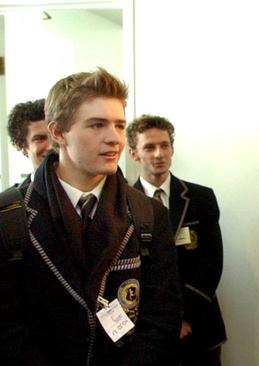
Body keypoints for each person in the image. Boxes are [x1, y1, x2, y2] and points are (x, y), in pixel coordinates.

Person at [0, 68, 182, 365]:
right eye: (97, 125)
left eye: (119, 126)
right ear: (58, 132)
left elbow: (162, 317)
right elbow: (8, 328)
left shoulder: (148, 214)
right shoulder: (10, 218)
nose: (114, 139)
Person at [127, 115, 226, 366]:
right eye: (149, 147)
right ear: (133, 153)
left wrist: (185, 316)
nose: (159, 153)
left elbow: (212, 262)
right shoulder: (122, 205)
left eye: (165, 145)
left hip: (200, 324)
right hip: (148, 330)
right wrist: (166, 321)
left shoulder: (200, 198)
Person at [6, 98, 52, 188]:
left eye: (55, 136)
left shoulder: (86, 196)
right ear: (20, 145)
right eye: (40, 139)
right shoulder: (10, 200)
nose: (51, 146)